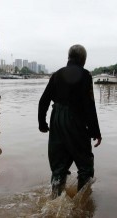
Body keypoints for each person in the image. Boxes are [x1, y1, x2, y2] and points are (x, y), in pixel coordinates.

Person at [38, 44, 102, 198]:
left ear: (69, 57)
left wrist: (42, 123)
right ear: (83, 59)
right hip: (75, 120)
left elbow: (43, 100)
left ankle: (54, 200)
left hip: (56, 120)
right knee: (85, 166)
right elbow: (89, 105)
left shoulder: (56, 75)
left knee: (58, 166)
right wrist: (95, 131)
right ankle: (82, 204)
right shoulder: (85, 75)